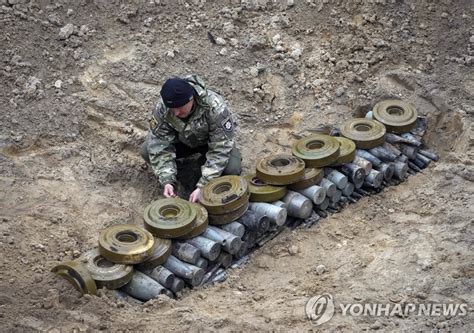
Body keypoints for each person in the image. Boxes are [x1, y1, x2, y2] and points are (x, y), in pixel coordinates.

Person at [141, 75, 242, 202]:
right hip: (182, 142)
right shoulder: (163, 108)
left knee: (232, 168)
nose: (176, 113)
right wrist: (167, 180)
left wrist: (203, 185)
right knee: (146, 150)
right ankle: (183, 174)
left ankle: (201, 169)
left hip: (210, 144)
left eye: (180, 107)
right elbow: (159, 145)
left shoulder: (214, 106)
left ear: (191, 99)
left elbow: (221, 147)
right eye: (172, 109)